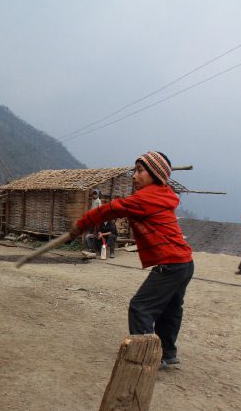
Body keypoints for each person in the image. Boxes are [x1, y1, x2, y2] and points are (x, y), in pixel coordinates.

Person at [70, 151, 193, 369]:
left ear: (155, 175)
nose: (134, 176)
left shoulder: (145, 198)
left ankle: (146, 358)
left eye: (139, 170)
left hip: (172, 264)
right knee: (170, 310)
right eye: (134, 170)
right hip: (184, 263)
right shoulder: (161, 195)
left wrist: (82, 223)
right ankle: (167, 354)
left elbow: (112, 209)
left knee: (140, 308)